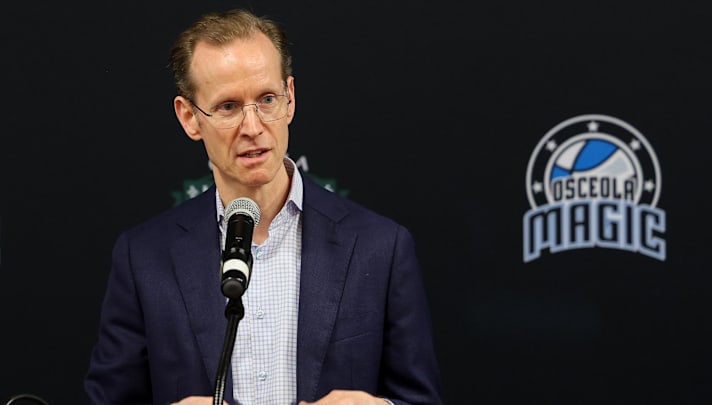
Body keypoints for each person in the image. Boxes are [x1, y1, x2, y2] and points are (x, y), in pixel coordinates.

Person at [84, 8, 443, 405]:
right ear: (189, 117)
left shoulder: (381, 246)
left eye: (267, 99)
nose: (253, 127)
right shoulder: (143, 257)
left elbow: (420, 399)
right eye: (228, 107)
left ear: (290, 99)